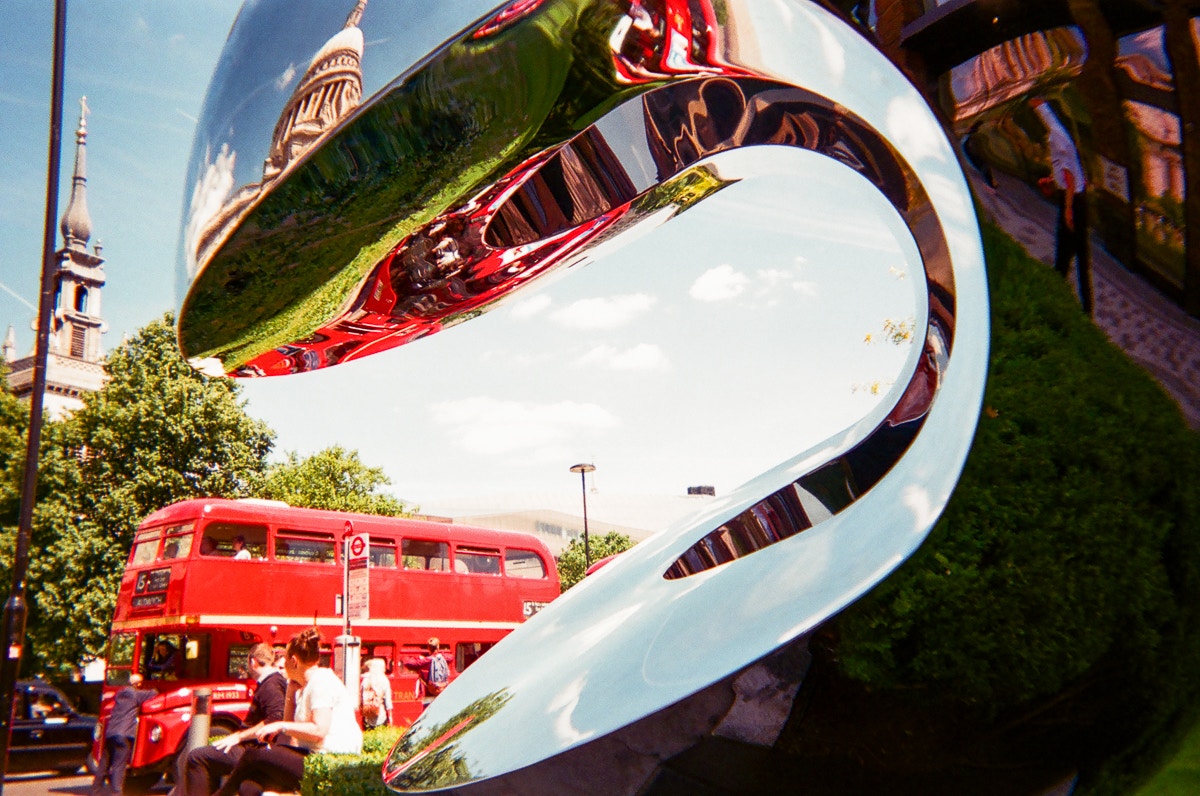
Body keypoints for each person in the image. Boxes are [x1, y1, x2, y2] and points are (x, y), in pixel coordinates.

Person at [214, 628, 362, 795]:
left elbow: (319, 730)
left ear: (293, 661)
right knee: (251, 783)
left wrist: (280, 725)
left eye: (284, 659)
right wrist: (290, 693)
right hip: (312, 754)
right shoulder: (304, 686)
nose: (281, 665)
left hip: (329, 760)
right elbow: (290, 737)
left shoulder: (321, 681)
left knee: (253, 755)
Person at [179, 643, 288, 795]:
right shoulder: (272, 682)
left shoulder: (270, 685)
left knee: (197, 757)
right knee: (210, 759)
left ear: (253, 662)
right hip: (253, 748)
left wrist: (238, 737)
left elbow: (275, 718)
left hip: (252, 750)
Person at [1033, 97, 1093, 315]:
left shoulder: (1058, 134)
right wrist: (1052, 181)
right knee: (1071, 255)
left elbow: (1069, 177)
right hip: (1074, 199)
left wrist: (1067, 210)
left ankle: (1078, 307)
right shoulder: (1058, 135)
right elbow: (1065, 171)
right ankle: (1069, 300)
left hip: (1074, 202)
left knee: (1070, 254)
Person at [91, 673, 157, 795]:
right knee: (119, 765)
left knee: (104, 764)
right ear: (138, 684)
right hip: (124, 734)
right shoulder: (136, 694)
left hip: (111, 733)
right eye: (141, 683)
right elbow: (154, 693)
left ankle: (95, 790)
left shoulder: (120, 693)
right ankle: (116, 793)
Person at [404, 637, 450, 703]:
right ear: (438, 647)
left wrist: (417, 658)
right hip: (441, 693)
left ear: (428, 648)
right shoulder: (443, 659)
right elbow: (451, 657)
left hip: (429, 695)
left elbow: (408, 663)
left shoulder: (427, 660)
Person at [359, 658, 392, 729]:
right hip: (381, 716)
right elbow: (388, 703)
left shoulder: (365, 680)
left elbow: (361, 698)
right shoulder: (384, 680)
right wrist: (390, 717)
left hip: (367, 717)